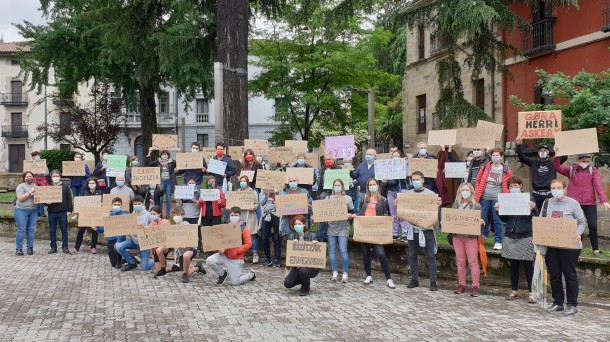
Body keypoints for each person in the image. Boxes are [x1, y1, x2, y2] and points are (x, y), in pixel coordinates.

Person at [540, 179, 587, 316]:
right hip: (552, 244)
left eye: (558, 187)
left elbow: (582, 222)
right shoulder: (546, 203)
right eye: (553, 187)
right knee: (554, 275)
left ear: (565, 188)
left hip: (570, 245)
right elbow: (541, 222)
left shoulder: (573, 203)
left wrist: (577, 233)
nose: (556, 190)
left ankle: (572, 304)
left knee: (569, 274)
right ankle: (558, 302)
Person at [554, 150, 610, 257]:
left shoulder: (593, 170)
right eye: (583, 161)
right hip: (574, 203)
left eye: (588, 161)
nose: (585, 163)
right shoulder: (571, 170)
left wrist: (604, 200)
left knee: (593, 225)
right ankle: (572, 246)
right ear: (578, 160)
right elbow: (558, 168)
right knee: (573, 225)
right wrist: (556, 157)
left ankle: (596, 249)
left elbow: (598, 186)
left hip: (589, 202)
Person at [496, 177, 537, 303]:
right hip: (510, 234)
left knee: (528, 265)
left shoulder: (529, 198)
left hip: (525, 234)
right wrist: (498, 210)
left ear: (520, 185)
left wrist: (533, 208)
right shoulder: (506, 199)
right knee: (513, 265)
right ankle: (514, 291)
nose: (513, 187)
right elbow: (504, 219)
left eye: (515, 185)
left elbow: (536, 216)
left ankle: (531, 292)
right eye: (511, 186)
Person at [403, 171, 442, 291]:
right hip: (413, 229)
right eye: (413, 180)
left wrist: (437, 205)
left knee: (430, 256)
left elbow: (434, 213)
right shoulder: (407, 194)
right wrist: (398, 205)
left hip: (427, 229)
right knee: (413, 255)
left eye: (417, 179)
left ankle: (433, 281)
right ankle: (414, 279)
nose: (415, 181)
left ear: (423, 180)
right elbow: (403, 211)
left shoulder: (430, 194)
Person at [354, 178, 395, 289]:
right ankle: (368, 275)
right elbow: (359, 211)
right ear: (367, 187)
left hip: (377, 231)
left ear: (377, 185)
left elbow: (387, 214)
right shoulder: (364, 198)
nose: (372, 186)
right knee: (366, 253)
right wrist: (356, 216)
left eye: (374, 184)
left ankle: (389, 278)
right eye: (370, 184)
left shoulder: (383, 200)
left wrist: (389, 219)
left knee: (381, 254)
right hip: (365, 230)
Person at [205, 207, 256, 286]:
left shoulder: (244, 229)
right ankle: (222, 274)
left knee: (235, 282)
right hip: (225, 255)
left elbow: (248, 244)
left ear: (240, 216)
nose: (234, 217)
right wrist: (219, 248)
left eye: (236, 215)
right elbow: (221, 241)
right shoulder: (226, 227)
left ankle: (251, 274)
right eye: (232, 215)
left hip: (236, 258)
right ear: (229, 216)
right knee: (209, 260)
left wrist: (237, 251)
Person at [450, 182, 485, 297]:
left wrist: (482, 222)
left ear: (471, 192)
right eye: (463, 190)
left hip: (470, 237)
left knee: (473, 262)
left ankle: (476, 286)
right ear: (459, 192)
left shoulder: (476, 205)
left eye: (467, 190)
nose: (465, 192)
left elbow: (479, 220)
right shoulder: (455, 205)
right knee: (460, 262)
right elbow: (451, 219)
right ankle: (462, 284)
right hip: (457, 237)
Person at [475, 147, 513, 250]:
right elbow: (478, 181)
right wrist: (478, 193)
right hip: (484, 198)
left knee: (497, 220)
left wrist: (507, 199)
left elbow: (509, 184)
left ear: (501, 157)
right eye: (493, 155)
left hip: (498, 199)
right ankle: (481, 240)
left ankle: (498, 241)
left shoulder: (506, 170)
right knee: (482, 219)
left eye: (497, 155)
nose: (495, 157)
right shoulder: (485, 168)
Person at [516, 139, 567, 212]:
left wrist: (560, 147)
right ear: (538, 153)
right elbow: (522, 158)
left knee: (550, 214)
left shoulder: (553, 162)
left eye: (545, 150)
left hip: (549, 194)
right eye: (540, 151)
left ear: (548, 152)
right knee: (536, 215)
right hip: (536, 195)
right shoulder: (534, 162)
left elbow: (564, 157)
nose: (542, 152)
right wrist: (519, 145)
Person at [115, 195, 155, 272]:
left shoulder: (148, 215)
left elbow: (153, 228)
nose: (137, 205)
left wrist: (144, 227)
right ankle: (131, 262)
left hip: (144, 243)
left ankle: (157, 261)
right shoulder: (132, 214)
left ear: (143, 203)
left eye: (139, 203)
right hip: (134, 241)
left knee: (144, 267)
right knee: (119, 247)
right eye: (135, 204)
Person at [284, 215, 320, 296]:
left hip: (310, 267)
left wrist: (315, 244)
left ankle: (306, 286)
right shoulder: (292, 236)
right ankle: (303, 280)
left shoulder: (312, 236)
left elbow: (319, 253)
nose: (297, 226)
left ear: (304, 224)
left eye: (299, 224)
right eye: (295, 224)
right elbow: (290, 257)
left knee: (303, 271)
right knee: (288, 283)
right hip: (297, 266)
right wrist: (292, 245)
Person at [325, 179, 353, 283]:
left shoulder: (348, 198)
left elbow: (352, 211)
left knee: (343, 250)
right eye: (335, 185)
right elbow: (323, 212)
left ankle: (345, 272)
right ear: (333, 187)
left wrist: (350, 215)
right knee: (332, 251)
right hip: (331, 227)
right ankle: (335, 271)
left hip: (343, 227)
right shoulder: (328, 198)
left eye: (339, 185)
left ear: (342, 186)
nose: (337, 187)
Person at [381, 150, 409, 240]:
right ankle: (395, 233)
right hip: (391, 192)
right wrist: (385, 181)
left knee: (403, 212)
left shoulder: (405, 166)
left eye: (397, 156)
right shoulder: (387, 167)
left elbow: (406, 177)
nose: (395, 158)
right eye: (393, 157)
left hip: (401, 191)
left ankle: (405, 233)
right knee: (393, 214)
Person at [73, 177, 103, 254]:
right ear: (87, 184)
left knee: (94, 231)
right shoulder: (83, 191)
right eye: (90, 183)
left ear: (96, 184)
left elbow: (102, 203)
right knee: (81, 231)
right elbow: (80, 202)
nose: (91, 185)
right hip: (85, 214)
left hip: (95, 215)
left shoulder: (100, 192)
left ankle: (93, 247)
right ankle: (76, 248)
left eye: (93, 183)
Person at [46, 169, 73, 254]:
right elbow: (44, 199)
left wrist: (69, 210)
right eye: (53, 176)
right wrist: (46, 203)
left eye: (57, 176)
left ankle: (65, 246)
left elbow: (69, 199)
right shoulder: (48, 187)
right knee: (52, 230)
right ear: (51, 177)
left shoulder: (65, 186)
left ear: (60, 177)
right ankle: (53, 247)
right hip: (51, 212)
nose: (55, 178)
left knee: (64, 230)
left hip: (62, 212)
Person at [146, 149, 177, 217]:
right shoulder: (158, 161)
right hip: (161, 181)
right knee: (161, 198)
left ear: (168, 155)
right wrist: (149, 152)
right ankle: (160, 214)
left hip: (169, 181)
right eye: (163, 154)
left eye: (165, 154)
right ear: (160, 155)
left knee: (168, 199)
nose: (164, 155)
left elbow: (180, 163)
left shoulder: (172, 161)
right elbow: (149, 163)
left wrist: (178, 152)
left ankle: (168, 215)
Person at [14, 171, 39, 255]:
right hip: (21, 210)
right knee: (21, 230)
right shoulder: (20, 186)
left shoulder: (36, 186)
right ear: (24, 178)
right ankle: (19, 249)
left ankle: (30, 247)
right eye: (27, 176)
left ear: (33, 177)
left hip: (33, 210)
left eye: (30, 176)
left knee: (31, 230)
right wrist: (29, 192)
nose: (29, 178)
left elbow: (40, 198)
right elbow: (20, 198)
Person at [237, 175, 260, 263]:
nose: (242, 182)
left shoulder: (252, 192)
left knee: (252, 235)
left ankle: (255, 254)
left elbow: (256, 203)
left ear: (247, 182)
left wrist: (253, 207)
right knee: (239, 236)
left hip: (250, 216)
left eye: (244, 181)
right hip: (241, 215)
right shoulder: (238, 192)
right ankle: (240, 255)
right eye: (241, 181)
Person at [260, 190, 281, 267]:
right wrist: (265, 195)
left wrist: (276, 198)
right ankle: (267, 259)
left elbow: (283, 205)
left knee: (277, 238)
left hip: (276, 215)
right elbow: (261, 203)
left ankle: (277, 260)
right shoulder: (265, 190)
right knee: (264, 238)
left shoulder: (280, 190)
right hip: (266, 216)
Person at [106, 197, 127, 269]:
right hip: (110, 238)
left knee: (117, 248)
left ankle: (120, 259)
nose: (116, 206)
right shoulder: (108, 215)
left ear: (121, 206)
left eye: (118, 205)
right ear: (111, 205)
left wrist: (119, 241)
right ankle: (127, 258)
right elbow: (104, 228)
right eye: (115, 204)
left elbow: (125, 230)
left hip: (119, 238)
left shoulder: (124, 215)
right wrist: (97, 229)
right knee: (113, 264)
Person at [30, 151, 48, 217]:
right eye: (34, 156)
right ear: (32, 157)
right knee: (35, 196)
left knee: (41, 196)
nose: (36, 157)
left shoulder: (43, 163)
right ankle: (36, 211)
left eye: (37, 155)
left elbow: (47, 172)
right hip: (34, 180)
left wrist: (42, 173)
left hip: (42, 181)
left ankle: (41, 211)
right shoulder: (30, 164)